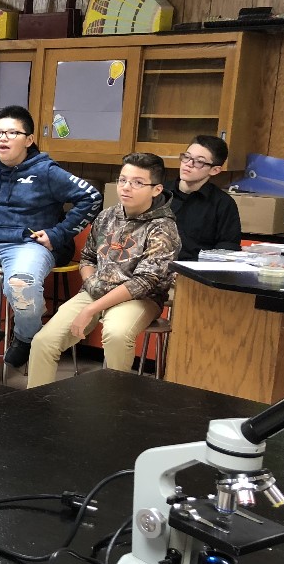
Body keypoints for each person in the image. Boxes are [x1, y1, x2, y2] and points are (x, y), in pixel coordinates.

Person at [0, 105, 102, 373]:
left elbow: (91, 197)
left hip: (29, 243)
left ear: (29, 140)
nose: (2, 138)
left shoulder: (46, 171)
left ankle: (26, 338)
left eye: (11, 132)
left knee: (21, 284)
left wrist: (58, 233)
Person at [26, 153, 181, 389]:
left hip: (139, 298)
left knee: (117, 335)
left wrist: (93, 308)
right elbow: (87, 257)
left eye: (138, 182)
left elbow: (145, 281)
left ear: (156, 189)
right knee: (43, 341)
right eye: (122, 180)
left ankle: (112, 412)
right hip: (96, 291)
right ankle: (33, 408)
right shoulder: (108, 215)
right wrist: (91, 286)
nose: (126, 187)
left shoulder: (163, 227)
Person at [165, 134, 241, 261]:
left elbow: (227, 249)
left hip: (194, 274)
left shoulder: (223, 204)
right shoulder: (159, 193)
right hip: (153, 270)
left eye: (199, 161)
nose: (188, 164)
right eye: (187, 157)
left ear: (215, 170)